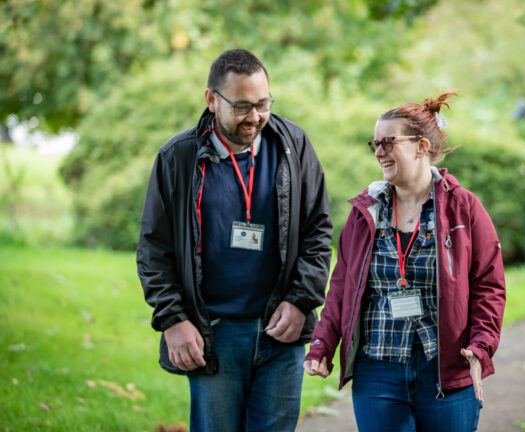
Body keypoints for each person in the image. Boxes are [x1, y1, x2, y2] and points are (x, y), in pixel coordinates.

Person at [137, 49, 332, 432]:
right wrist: (173, 320)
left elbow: (317, 230)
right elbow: (153, 250)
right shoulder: (177, 157)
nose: (255, 117)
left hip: (281, 331)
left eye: (263, 104)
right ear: (212, 100)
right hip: (213, 333)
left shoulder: (293, 145)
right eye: (242, 106)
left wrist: (300, 301)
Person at [304, 91, 505, 432]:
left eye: (388, 142)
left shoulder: (463, 208)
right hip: (377, 368)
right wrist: (323, 343)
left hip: (445, 367)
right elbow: (341, 287)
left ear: (421, 147)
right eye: (375, 143)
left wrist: (481, 346)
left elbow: (488, 286)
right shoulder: (365, 212)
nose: (378, 152)